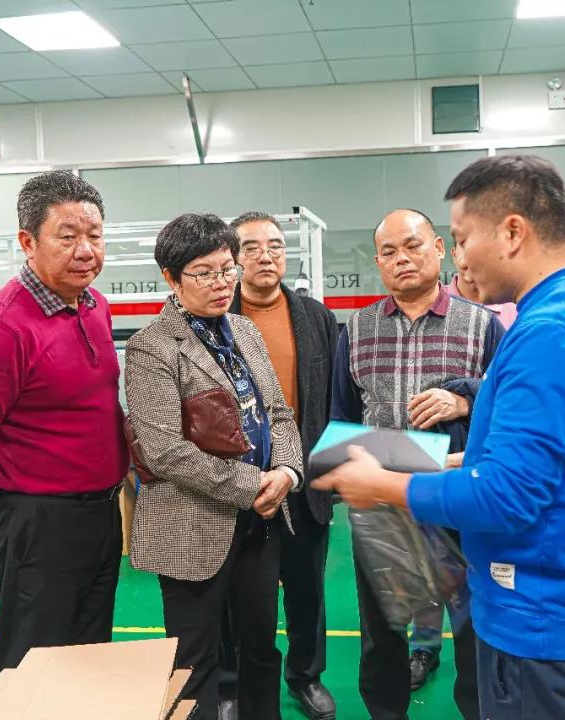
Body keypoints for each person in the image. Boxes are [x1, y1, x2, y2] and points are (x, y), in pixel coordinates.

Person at [314, 155, 565, 720]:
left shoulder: (551, 333)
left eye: (463, 239)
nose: (461, 258)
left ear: (512, 232)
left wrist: (385, 486)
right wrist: (441, 464)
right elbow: (532, 460)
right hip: (553, 605)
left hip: (542, 619)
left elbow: (504, 495)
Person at [0, 171, 128, 676]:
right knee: (34, 663)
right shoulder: (2, 329)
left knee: (89, 654)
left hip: (101, 512)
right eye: (67, 237)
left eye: (95, 236)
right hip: (38, 522)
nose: (85, 251)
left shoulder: (94, 306)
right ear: (28, 242)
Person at [124, 213, 304, 720]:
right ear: (171, 277)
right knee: (193, 663)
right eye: (204, 273)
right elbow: (164, 450)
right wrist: (254, 484)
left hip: (259, 523)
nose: (221, 283)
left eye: (227, 269)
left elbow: (279, 412)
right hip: (191, 527)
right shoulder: (151, 347)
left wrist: (287, 473)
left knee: (261, 650)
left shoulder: (244, 330)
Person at [330, 208, 505, 720]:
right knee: (381, 631)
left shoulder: (482, 326)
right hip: (380, 505)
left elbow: (512, 408)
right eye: (388, 251)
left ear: (440, 249)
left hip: (458, 503)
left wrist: (467, 400)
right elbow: (342, 419)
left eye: (412, 246)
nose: (401, 259)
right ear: (378, 263)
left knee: (472, 626)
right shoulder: (357, 329)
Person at [215, 211, 339, 720]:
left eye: (275, 245)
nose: (265, 255)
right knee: (238, 596)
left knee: (307, 591)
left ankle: (306, 676)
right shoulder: (214, 317)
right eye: (251, 247)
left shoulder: (316, 318)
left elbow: (333, 401)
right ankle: (231, 684)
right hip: (238, 483)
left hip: (303, 482)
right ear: (233, 258)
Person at [408, 233, 516, 690]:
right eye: (464, 246)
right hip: (414, 473)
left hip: (469, 472)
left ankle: (476, 662)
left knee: (469, 573)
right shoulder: (393, 319)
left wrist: (464, 399)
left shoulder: (499, 318)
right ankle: (424, 647)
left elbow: (507, 392)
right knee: (426, 569)